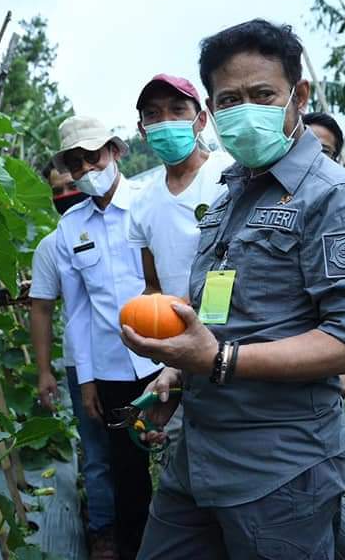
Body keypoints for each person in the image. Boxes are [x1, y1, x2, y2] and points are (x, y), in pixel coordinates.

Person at [122, 19, 345, 559]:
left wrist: (221, 359)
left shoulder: (334, 199)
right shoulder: (229, 198)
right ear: (213, 108)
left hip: (278, 471)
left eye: (262, 94)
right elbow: (225, 313)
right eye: (229, 99)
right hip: (198, 455)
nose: (245, 109)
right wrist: (179, 370)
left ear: (298, 95)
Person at [52, 116, 162, 560]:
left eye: (92, 156)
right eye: (75, 163)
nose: (85, 169)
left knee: (182, 462)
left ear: (116, 151)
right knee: (127, 470)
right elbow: (76, 312)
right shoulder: (70, 228)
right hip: (111, 368)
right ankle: (137, 549)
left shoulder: (150, 204)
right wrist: (86, 380)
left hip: (165, 361)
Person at [127, 74, 233, 459]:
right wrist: (152, 328)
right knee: (186, 451)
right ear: (143, 130)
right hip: (182, 347)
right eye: (153, 115)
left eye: (177, 110)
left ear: (201, 119)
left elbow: (235, 264)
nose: (165, 121)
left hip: (236, 335)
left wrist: (200, 323)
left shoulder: (229, 174)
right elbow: (153, 285)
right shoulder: (142, 202)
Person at [30, 162, 117, 559]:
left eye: (72, 185)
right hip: (81, 364)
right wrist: (44, 369)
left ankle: (139, 524)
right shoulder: (51, 245)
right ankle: (103, 531)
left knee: (135, 446)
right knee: (97, 453)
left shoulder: (121, 228)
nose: (66, 194)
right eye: (57, 190)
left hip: (130, 357)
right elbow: (42, 309)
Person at [304, 112, 345, 397]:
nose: (314, 158)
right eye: (305, 145)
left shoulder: (341, 209)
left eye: (324, 152)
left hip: (315, 355)